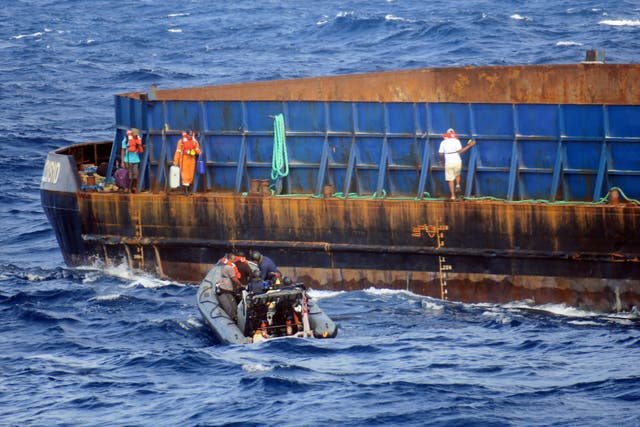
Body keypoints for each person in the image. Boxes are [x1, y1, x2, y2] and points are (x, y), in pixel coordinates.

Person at [438, 128, 476, 200]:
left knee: (450, 179)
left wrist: (441, 161)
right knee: (457, 174)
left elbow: (440, 154)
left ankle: (453, 196)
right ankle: (458, 185)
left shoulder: (443, 142)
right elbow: (460, 151)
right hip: (457, 161)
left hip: (448, 162)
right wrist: (469, 146)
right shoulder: (457, 141)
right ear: (453, 133)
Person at [173, 131, 201, 196]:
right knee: (185, 175)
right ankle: (185, 191)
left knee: (191, 175)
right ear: (186, 135)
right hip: (184, 159)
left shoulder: (195, 141)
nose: (190, 136)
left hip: (192, 159)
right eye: (189, 135)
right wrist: (175, 161)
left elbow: (197, 149)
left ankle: (189, 190)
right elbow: (178, 152)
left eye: (191, 135)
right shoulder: (181, 142)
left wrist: (194, 152)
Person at [216, 254, 243, 320]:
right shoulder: (229, 268)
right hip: (226, 290)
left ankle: (235, 316)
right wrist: (241, 285)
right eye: (233, 259)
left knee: (233, 305)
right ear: (230, 259)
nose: (235, 260)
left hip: (225, 289)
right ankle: (233, 318)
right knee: (230, 308)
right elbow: (234, 279)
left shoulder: (224, 266)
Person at [120, 128, 144, 193]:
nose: (135, 136)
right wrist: (122, 162)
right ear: (132, 134)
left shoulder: (138, 139)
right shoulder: (126, 140)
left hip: (136, 160)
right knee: (130, 175)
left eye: (136, 135)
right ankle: (129, 189)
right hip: (128, 160)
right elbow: (123, 151)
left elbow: (140, 149)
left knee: (136, 174)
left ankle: (134, 187)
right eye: (134, 135)